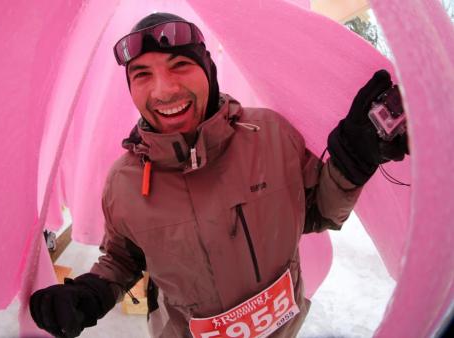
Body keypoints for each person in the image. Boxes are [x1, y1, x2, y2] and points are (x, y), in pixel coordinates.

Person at [29, 13, 408, 338]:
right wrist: (90, 293)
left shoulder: (272, 134)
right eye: (142, 74)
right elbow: (123, 259)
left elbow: (316, 211)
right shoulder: (124, 182)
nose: (164, 90)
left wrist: (352, 161)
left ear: (208, 69)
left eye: (180, 65)